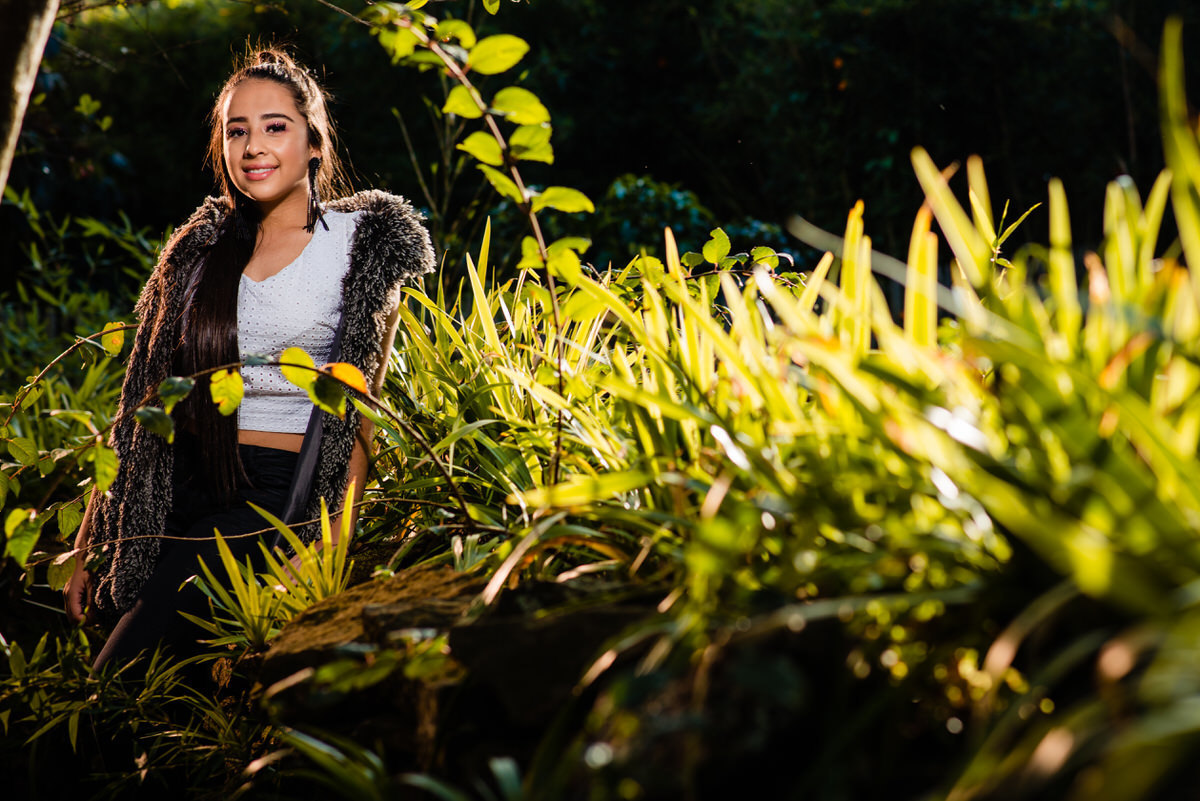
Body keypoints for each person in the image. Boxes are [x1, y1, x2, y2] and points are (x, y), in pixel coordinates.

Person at [63, 48, 435, 670]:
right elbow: (141, 405)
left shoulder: (362, 249)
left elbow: (360, 418)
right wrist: (90, 538)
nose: (253, 146)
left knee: (118, 675)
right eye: (237, 131)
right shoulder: (199, 250)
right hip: (180, 488)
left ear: (314, 143)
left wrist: (333, 539)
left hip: (269, 496)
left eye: (274, 127)